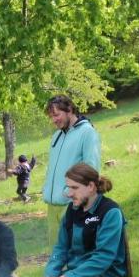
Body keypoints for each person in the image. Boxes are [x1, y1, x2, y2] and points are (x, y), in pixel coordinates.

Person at [41, 95, 101, 247]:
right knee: (55, 254)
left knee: (74, 254)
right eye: (51, 116)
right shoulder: (56, 136)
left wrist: (77, 197)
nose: (54, 120)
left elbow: (91, 171)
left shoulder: (87, 133)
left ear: (69, 110)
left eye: (56, 115)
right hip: (52, 206)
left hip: (73, 205)